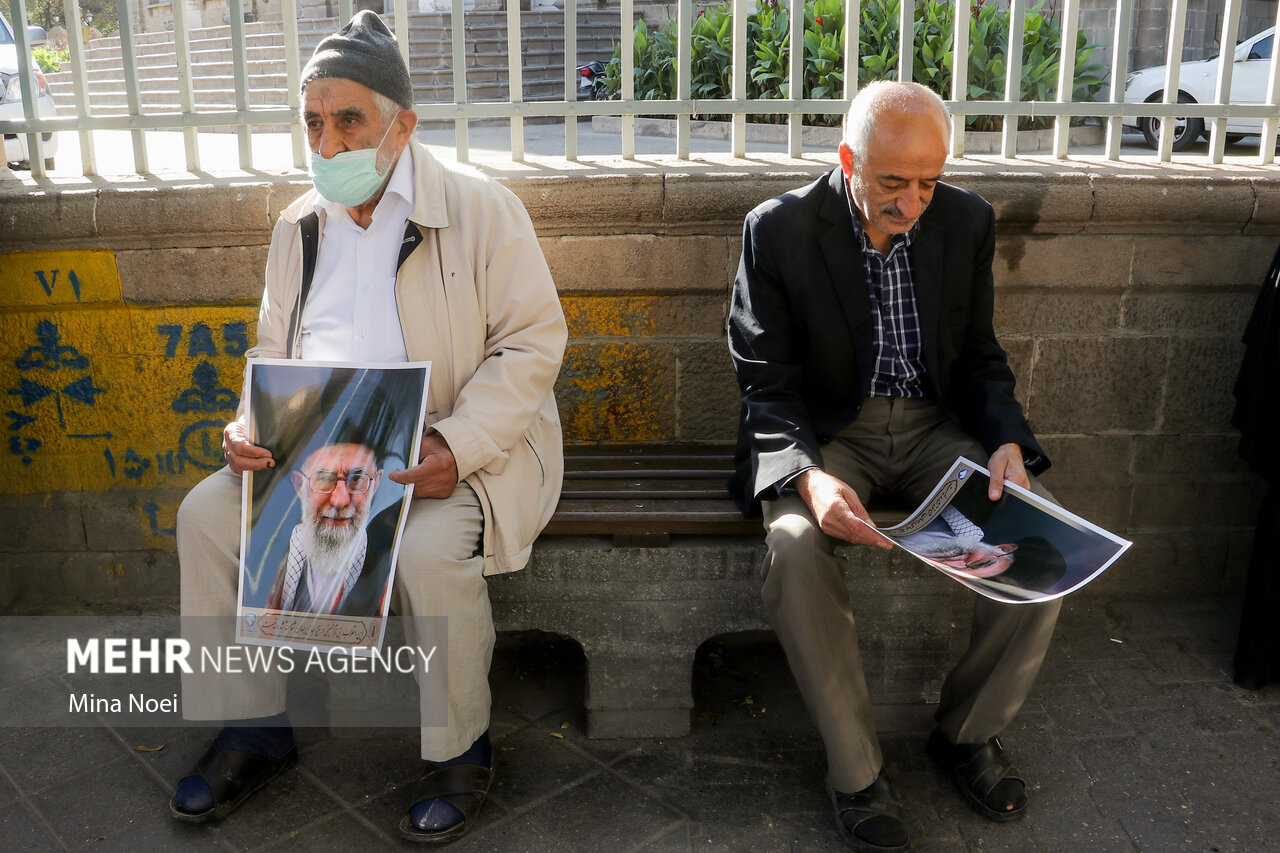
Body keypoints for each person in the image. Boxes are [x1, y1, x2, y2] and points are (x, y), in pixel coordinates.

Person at [168, 11, 567, 844]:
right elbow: (273, 348)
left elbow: (534, 343)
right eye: (314, 120)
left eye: (349, 118)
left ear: (402, 124)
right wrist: (250, 422)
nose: (329, 140)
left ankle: (461, 751)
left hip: (453, 449)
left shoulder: (482, 211)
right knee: (206, 516)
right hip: (319, 449)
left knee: (424, 549)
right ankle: (253, 729)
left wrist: (456, 445)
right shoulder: (299, 226)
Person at [728, 81, 1062, 852]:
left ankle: (966, 733)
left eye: (928, 182)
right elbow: (764, 383)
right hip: (826, 433)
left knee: (1040, 537)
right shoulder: (776, 230)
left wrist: (1008, 439)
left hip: (934, 430)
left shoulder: (966, 220)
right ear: (848, 159)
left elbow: (978, 358)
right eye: (892, 182)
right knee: (794, 545)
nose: (913, 202)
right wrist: (808, 476)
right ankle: (856, 772)